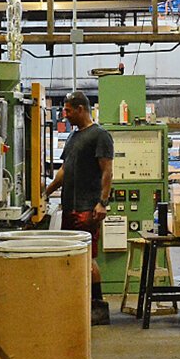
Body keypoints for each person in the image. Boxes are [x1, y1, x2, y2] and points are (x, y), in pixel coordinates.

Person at [43, 91, 115, 325]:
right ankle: (80, 304)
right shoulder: (74, 137)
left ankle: (98, 308)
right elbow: (65, 170)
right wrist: (45, 192)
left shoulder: (100, 136)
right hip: (71, 207)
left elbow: (107, 171)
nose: (65, 114)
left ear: (81, 109)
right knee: (73, 258)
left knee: (87, 258)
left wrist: (102, 202)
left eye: (68, 110)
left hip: (88, 207)